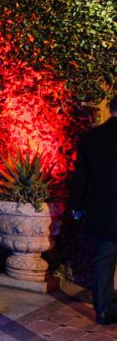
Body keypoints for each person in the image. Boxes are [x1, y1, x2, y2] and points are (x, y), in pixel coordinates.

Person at [71, 95, 117, 325]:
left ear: (111, 109)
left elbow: (81, 177)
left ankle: (103, 310)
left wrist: (77, 206)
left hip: (104, 210)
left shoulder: (91, 138)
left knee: (104, 260)